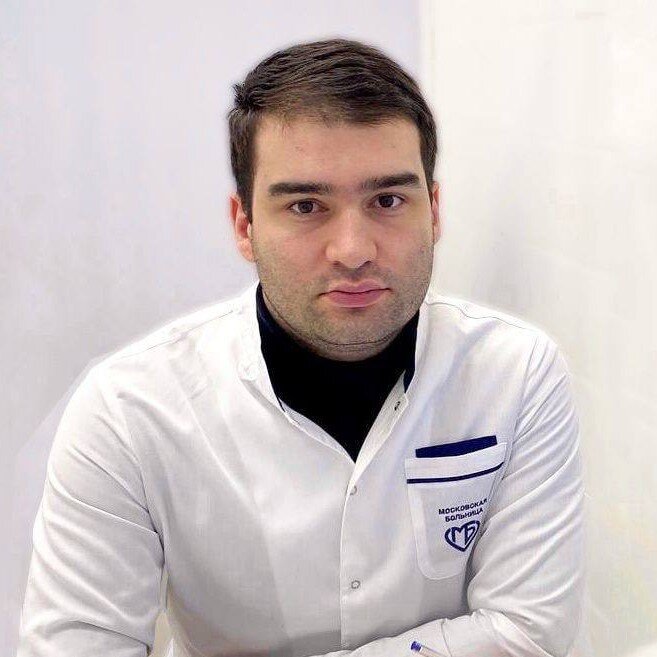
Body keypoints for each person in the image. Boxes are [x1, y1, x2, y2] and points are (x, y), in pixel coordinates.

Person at [16, 38, 585, 657]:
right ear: (244, 226)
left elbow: (528, 631)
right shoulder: (129, 411)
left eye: (388, 201)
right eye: (306, 206)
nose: (354, 250)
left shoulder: (516, 374)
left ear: (435, 211)